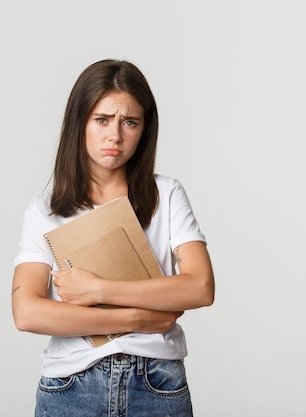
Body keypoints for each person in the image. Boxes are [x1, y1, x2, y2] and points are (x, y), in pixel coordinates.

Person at [12, 59, 215, 417]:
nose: (115, 136)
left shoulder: (166, 195)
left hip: (157, 384)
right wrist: (136, 319)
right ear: (80, 122)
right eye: (102, 119)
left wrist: (99, 291)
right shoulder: (44, 209)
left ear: (144, 129)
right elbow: (26, 312)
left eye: (130, 122)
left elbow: (200, 287)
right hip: (71, 386)